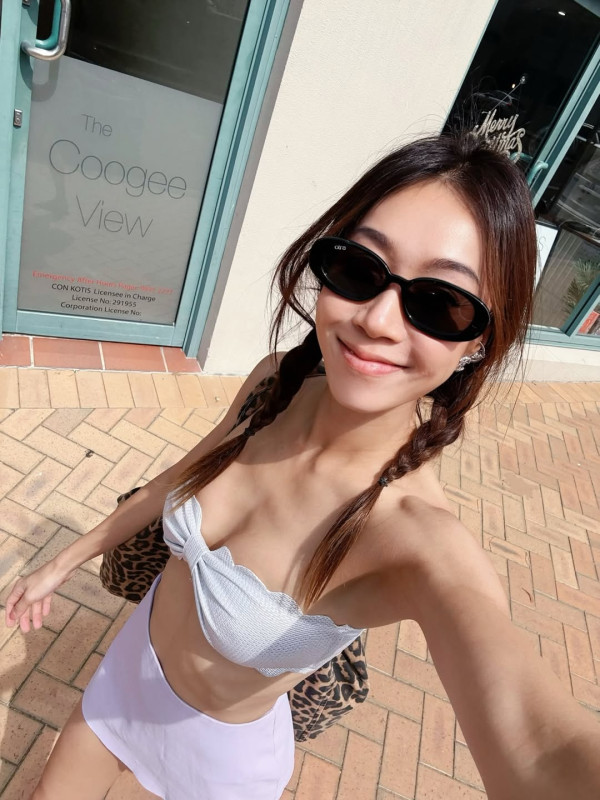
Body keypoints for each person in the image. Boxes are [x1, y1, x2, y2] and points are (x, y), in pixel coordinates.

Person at [5, 133, 600, 800]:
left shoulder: (412, 537)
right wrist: (64, 561)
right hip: (125, 675)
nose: (378, 320)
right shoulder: (276, 384)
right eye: (360, 268)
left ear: (479, 342)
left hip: (215, 767)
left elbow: (540, 746)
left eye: (439, 304)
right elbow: (180, 477)